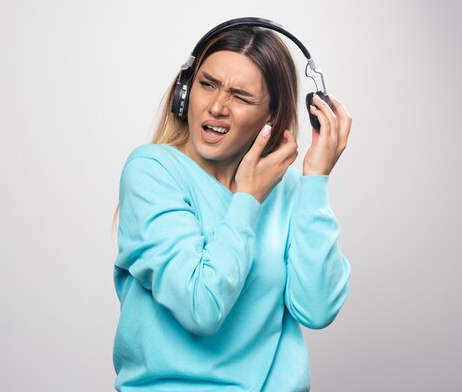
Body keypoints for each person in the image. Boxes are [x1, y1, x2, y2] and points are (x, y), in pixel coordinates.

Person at [113, 19, 352, 392]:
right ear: (184, 91)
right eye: (207, 85)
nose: (218, 106)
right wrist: (248, 199)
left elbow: (317, 309)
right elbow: (200, 306)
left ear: (271, 115)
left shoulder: (286, 189)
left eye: (241, 96)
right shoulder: (152, 171)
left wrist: (315, 181)